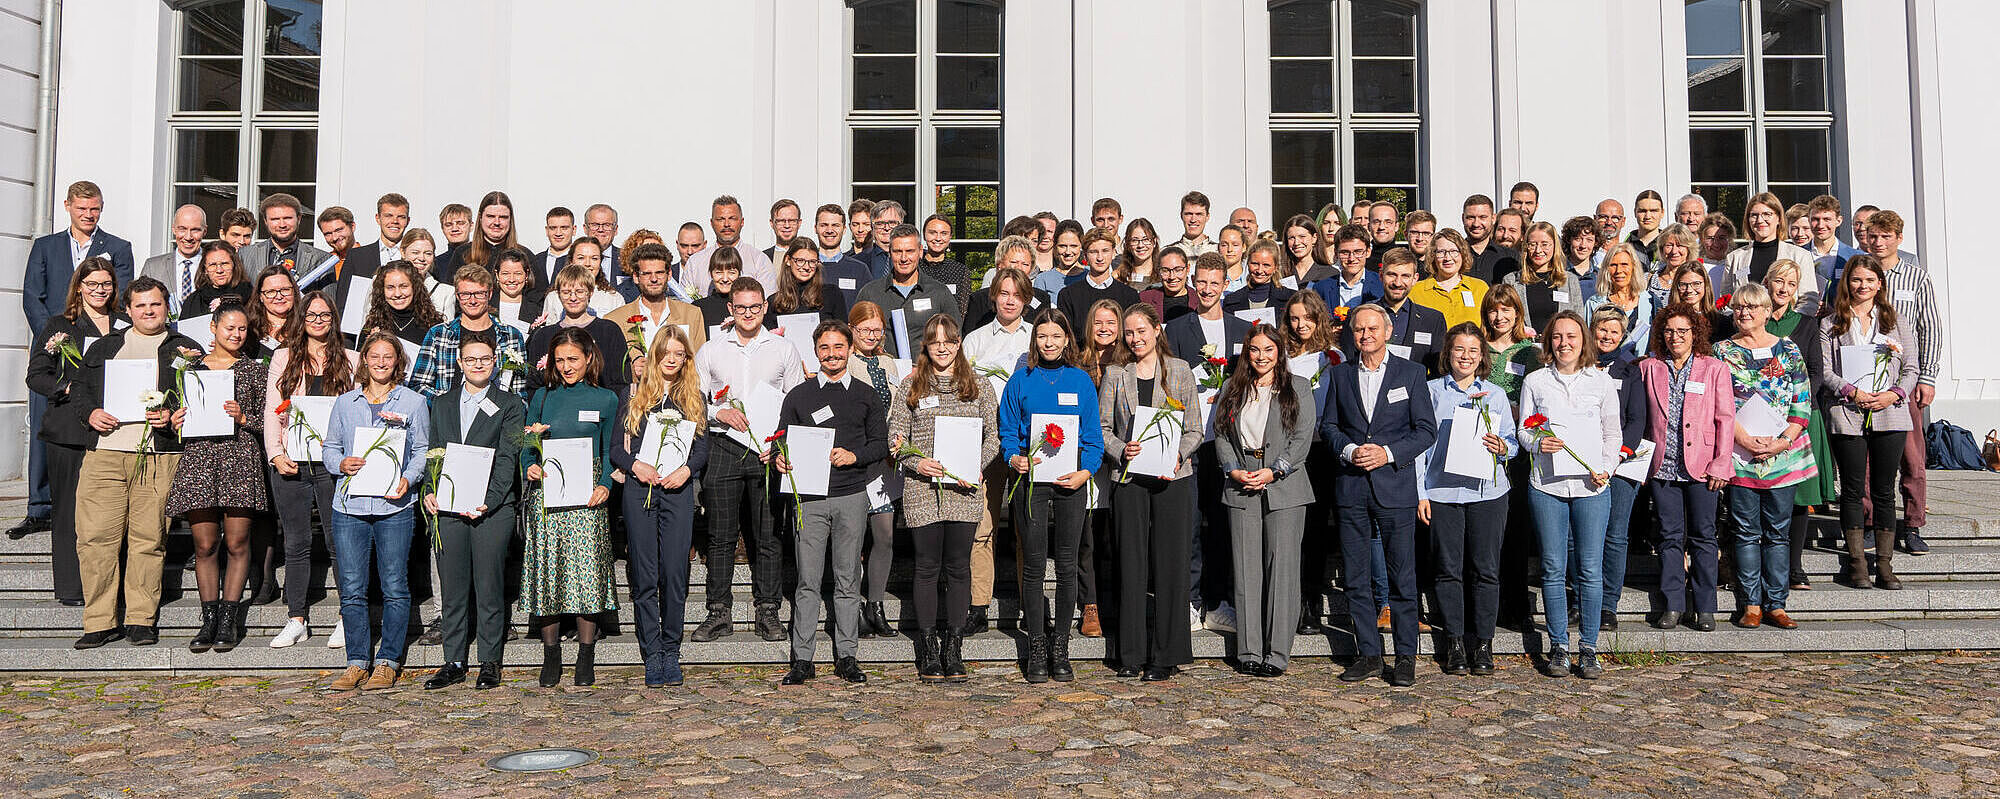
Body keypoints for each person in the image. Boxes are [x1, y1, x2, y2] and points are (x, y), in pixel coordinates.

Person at [70, 277, 199, 650]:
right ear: (127, 310)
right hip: (106, 454)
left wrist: (174, 416)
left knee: (149, 539)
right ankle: (99, 621)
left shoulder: (185, 348)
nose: (148, 311)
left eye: (155, 304)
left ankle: (141, 619)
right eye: (140, 306)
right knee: (95, 539)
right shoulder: (106, 347)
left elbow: (197, 398)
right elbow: (79, 389)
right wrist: (91, 413)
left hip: (158, 456)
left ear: (166, 307)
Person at [1321, 304, 1436, 687]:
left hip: (1395, 488)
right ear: (1351, 334)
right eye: (1358, 330)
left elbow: (1425, 431)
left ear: (1387, 331)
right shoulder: (1339, 376)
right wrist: (1350, 451)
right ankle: (1368, 653)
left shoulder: (1412, 373)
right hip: (1352, 488)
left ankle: (1405, 657)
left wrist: (1386, 453)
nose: (1365, 335)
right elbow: (1330, 426)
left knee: (1402, 578)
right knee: (1355, 578)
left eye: (1372, 328)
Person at [693, 277, 808, 642]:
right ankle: (718, 612)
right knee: (720, 536)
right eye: (740, 307)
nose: (747, 314)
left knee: (768, 535)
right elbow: (694, 400)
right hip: (724, 447)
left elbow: (795, 402)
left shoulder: (783, 348)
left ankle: (768, 611)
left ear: (764, 307)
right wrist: (718, 413)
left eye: (755, 307)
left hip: (767, 452)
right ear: (730, 308)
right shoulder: (711, 350)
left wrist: (780, 445)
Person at [773, 321, 888, 686]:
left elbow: (881, 444)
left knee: (847, 577)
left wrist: (854, 456)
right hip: (809, 498)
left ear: (850, 348)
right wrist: (780, 458)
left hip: (852, 494)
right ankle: (803, 659)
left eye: (839, 347)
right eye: (825, 348)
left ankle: (847, 655)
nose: (833, 354)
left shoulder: (867, 395)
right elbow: (781, 440)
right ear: (816, 351)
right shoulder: (799, 395)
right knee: (807, 580)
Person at [889, 315, 998, 682]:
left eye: (948, 341)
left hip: (964, 490)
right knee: (926, 567)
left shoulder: (979, 386)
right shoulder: (910, 387)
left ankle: (954, 646)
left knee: (958, 567)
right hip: (923, 492)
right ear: (926, 346)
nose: (942, 347)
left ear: (958, 343)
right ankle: (929, 646)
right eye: (934, 341)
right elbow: (896, 440)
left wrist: (978, 465)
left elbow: (993, 438)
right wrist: (918, 463)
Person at [998, 308, 1104, 683]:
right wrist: (1013, 457)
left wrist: (1086, 471)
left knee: (1066, 564)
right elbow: (1008, 429)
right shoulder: (1021, 379)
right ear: (1035, 339)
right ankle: (1037, 645)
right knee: (1032, 565)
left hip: (1070, 482)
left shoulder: (1080, 380)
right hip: (1031, 483)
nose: (1049, 343)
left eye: (1056, 337)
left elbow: (1094, 436)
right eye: (1043, 336)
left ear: (1066, 340)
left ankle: (1061, 644)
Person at [320, 331, 430, 690]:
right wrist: (341, 463)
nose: (381, 362)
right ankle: (356, 662)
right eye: (374, 356)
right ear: (363, 361)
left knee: (395, 585)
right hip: (350, 506)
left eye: (388, 356)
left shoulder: (413, 402)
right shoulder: (345, 403)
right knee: (351, 587)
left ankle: (388, 661)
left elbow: (422, 452)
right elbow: (330, 448)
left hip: (393, 505)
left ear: (398, 361)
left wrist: (409, 479)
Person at [1098, 303, 1203, 680]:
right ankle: (1130, 653)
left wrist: (1178, 453)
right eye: (1129, 332)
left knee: (1171, 565)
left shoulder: (1179, 371)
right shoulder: (1115, 375)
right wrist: (1119, 450)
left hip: (1172, 479)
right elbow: (1103, 428)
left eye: (1142, 330)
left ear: (1157, 330)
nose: (1135, 338)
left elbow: (1195, 429)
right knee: (1131, 564)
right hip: (1128, 479)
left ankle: (1166, 655)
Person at [1516, 311, 1620, 678]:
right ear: (1549, 342)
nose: (1564, 343)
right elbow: (1523, 433)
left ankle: (1588, 646)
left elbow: (1612, 433)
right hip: (1548, 485)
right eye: (1557, 336)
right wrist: (1539, 443)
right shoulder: (1535, 381)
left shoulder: (1601, 382)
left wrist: (1606, 467)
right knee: (1552, 567)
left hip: (1592, 486)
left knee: (1590, 570)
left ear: (1583, 340)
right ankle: (1559, 644)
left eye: (1571, 336)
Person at [415, 333, 523, 690]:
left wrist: (490, 500)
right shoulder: (442, 404)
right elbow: (433, 452)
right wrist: (429, 492)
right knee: (454, 587)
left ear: (495, 362)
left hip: (491, 508)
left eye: (485, 358)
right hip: (448, 507)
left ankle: (489, 660)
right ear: (459, 363)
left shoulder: (509, 404)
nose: (478, 364)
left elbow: (508, 458)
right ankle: (454, 660)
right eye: (471, 359)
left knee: (489, 585)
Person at [1211, 323, 1315, 679]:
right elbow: (1221, 435)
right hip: (1242, 482)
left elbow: (1302, 437)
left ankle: (1277, 652)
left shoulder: (1297, 387)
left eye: (1269, 350)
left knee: (1281, 570)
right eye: (1255, 350)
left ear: (1279, 353)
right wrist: (1233, 469)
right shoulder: (1232, 388)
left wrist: (1275, 471)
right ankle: (1249, 650)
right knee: (1246, 570)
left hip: (1284, 485)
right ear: (1246, 352)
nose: (1261, 356)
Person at [164, 303, 268, 652]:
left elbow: (269, 422)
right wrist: (177, 419)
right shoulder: (189, 369)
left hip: (239, 458)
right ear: (213, 328)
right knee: (205, 544)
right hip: (201, 460)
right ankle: (208, 619)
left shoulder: (254, 370)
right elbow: (180, 412)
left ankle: (229, 618)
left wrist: (244, 417)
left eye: (242, 329)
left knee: (237, 543)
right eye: (229, 328)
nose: (236, 335)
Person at [1415, 322, 1518, 675]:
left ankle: (1484, 643)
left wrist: (1503, 447)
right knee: (1447, 569)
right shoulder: (1430, 392)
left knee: (1486, 569)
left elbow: (1513, 443)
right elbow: (1419, 448)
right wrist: (1420, 493)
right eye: (1460, 349)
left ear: (1482, 357)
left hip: (1488, 492)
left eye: (1473, 351)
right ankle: (1455, 643)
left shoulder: (1495, 395)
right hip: (1442, 491)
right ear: (1448, 353)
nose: (1466, 356)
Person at [519, 328, 619, 687]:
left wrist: (605, 484)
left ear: (589, 358)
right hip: (549, 493)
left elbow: (611, 450)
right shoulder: (542, 398)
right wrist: (528, 463)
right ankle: (551, 656)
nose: (566, 366)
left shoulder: (607, 399)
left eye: (572, 359)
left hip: (588, 494)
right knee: (549, 568)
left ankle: (586, 654)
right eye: (559, 360)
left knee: (587, 569)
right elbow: (527, 445)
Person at [610, 325, 708, 688]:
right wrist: (636, 465)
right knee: (646, 573)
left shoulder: (694, 397)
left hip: (677, 491)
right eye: (665, 352)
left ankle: (672, 648)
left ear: (686, 359)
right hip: (640, 489)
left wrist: (686, 471)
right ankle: (652, 651)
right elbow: (616, 450)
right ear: (655, 355)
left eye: (678, 353)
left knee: (674, 573)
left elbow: (701, 449)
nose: (671, 359)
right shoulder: (633, 394)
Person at [1713, 284, 1815, 630]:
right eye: (1739, 307)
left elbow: (1802, 400)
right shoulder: (1721, 352)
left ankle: (1776, 602)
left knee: (1777, 532)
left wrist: (1782, 441)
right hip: (1741, 454)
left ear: (1768, 311)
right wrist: (1742, 438)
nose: (1744, 313)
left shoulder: (1788, 349)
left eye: (1752, 307)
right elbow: (1718, 403)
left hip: (1782, 455)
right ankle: (1751, 604)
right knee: (1744, 531)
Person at [25, 259, 125, 608]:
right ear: (79, 286)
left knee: (110, 511)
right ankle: (71, 586)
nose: (100, 290)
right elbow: (36, 374)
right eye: (93, 283)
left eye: (106, 284)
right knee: (68, 509)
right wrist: (69, 388)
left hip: (113, 429)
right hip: (68, 431)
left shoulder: (124, 324)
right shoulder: (60, 325)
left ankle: (112, 585)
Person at [1819, 255, 1918, 590]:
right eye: (1856, 280)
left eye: (1869, 280)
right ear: (1847, 283)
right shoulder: (1832, 322)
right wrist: (1851, 391)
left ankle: (1885, 564)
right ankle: (1858, 562)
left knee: (1884, 489)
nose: (1862, 286)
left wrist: (1894, 394)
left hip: (1889, 412)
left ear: (1880, 284)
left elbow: (1911, 368)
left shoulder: (1896, 320)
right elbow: (1826, 370)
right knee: (1850, 488)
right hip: (1848, 411)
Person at [262, 291, 354, 648]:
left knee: (337, 541)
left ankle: (348, 615)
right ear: (301, 319)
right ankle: (296, 617)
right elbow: (273, 410)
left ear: (333, 320)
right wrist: (275, 453)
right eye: (311, 315)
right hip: (292, 461)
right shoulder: (283, 357)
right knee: (297, 541)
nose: (317, 321)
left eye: (324, 315)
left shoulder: (349, 359)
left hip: (333, 465)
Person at [1639, 304, 1735, 632]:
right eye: (1669, 331)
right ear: (1660, 334)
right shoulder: (1650, 368)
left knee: (1704, 536)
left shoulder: (1714, 369)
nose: (1675, 336)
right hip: (1663, 467)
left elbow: (1725, 418)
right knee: (1668, 537)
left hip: (1704, 467)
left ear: (1695, 333)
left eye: (1683, 331)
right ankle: (1673, 603)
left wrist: (1722, 463)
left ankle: (1705, 605)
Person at [1855, 211, 1939, 556]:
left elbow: (1929, 327)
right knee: (1868, 460)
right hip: (1863, 379)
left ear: (1899, 239)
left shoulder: (1916, 277)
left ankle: (1914, 523)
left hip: (1904, 380)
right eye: (1873, 235)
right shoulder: (1858, 274)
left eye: (1885, 236)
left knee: (1911, 456)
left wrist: (1928, 377)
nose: (1878, 242)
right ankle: (1873, 522)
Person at [1763, 260, 1836, 591]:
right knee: (1761, 495)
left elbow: (1817, 371)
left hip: (1799, 418)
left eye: (1790, 284)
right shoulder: (1754, 319)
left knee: (1797, 496)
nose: (1783, 289)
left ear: (1797, 291)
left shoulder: (1806, 324)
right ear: (1767, 283)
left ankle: (1794, 567)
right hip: (1760, 418)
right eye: (1778, 281)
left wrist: (1795, 404)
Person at [844, 302, 905, 639]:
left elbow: (899, 404)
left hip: (886, 463)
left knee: (884, 535)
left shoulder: (889, 362)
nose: (871, 335)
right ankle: (851, 607)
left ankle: (876, 606)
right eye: (864, 329)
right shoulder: (845, 362)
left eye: (877, 329)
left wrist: (897, 437)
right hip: (856, 460)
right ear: (852, 329)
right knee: (853, 538)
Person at [1281, 290, 1341, 634]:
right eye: (1294, 318)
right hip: (1289, 447)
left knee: (1316, 529)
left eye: (1308, 318)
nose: (1301, 324)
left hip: (1322, 450)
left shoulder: (1332, 356)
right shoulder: (1282, 356)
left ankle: (1311, 602)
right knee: (1291, 529)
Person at [1589, 307, 1649, 632]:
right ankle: (1584, 599)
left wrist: (1617, 456)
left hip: (1620, 466)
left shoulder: (1629, 371)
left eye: (1614, 331)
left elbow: (1637, 418)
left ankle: (1609, 605)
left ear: (1622, 336)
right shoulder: (1579, 367)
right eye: (1602, 329)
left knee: (1614, 535)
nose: (1608, 336)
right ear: (1592, 330)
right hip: (1584, 463)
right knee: (1583, 537)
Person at [25, 182, 135, 337]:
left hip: (100, 339)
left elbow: (120, 297)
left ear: (102, 207)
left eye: (94, 209)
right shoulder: (45, 247)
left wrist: (108, 338)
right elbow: (32, 298)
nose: (88, 215)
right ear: (67, 205)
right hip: (53, 340)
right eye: (82, 209)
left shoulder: (119, 248)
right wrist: (51, 337)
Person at [408, 264, 532, 399]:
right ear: (457, 295)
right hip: (450, 416)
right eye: (465, 294)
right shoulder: (439, 334)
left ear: (489, 294)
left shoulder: (510, 336)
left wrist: (506, 410)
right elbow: (418, 386)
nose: (472, 301)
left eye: (479, 294)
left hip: (496, 417)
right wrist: (448, 404)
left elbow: (520, 392)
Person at [857, 224, 961, 357]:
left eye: (910, 251)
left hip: (926, 372)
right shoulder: (871, 293)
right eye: (898, 251)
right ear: (890, 253)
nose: (904, 258)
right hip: (883, 371)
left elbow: (955, 336)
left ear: (920, 252)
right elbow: (855, 336)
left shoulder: (939, 292)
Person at [1338, 249, 1446, 375]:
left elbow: (1438, 372)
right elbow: (1348, 365)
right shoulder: (1357, 315)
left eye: (1405, 276)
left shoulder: (1432, 320)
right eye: (1392, 275)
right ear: (1381, 275)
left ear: (1415, 278)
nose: (1398, 283)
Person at [525, 264, 629, 393]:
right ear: (558, 294)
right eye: (566, 292)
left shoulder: (609, 331)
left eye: (579, 292)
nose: (573, 298)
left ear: (590, 292)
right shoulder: (543, 335)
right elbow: (534, 384)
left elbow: (620, 380)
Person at [611, 242, 709, 370]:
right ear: (636, 277)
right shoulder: (616, 319)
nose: (654, 279)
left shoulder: (691, 314)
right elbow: (611, 371)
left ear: (669, 274)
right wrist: (633, 369)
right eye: (646, 273)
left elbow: (699, 364)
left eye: (659, 272)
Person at [1719, 192, 1820, 304]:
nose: (1760, 220)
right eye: (1754, 215)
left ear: (1779, 219)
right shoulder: (1734, 258)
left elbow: (1809, 300)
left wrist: (1791, 321)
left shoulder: (1800, 256)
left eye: (1767, 214)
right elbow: (1726, 299)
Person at [682, 196, 780, 291]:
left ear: (742, 222)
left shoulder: (759, 261)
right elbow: (684, 304)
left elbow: (768, 301)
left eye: (732, 218)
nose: (727, 224)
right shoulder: (695, 263)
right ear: (711, 223)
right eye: (720, 219)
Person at [1056, 228, 1142, 335]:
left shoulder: (1129, 295)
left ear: (1113, 253)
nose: (1100, 258)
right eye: (1093, 252)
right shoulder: (1068, 295)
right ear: (1085, 256)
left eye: (1105, 251)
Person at [1501, 220, 1584, 330]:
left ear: (1555, 246)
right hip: (1523, 345)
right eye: (1532, 244)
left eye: (1544, 244)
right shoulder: (1511, 281)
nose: (1538, 250)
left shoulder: (1570, 280)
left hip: (1560, 345)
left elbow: (1578, 321)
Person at [240, 193, 335, 289]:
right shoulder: (245, 254)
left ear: (299, 218)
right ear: (265, 221)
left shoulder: (322, 260)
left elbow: (328, 302)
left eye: (287, 218)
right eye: (275, 219)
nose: (282, 225)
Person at [1582, 244, 1657, 361]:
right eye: (1613, 265)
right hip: (1603, 372)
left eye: (1624, 265)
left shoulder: (1649, 301)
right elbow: (1586, 342)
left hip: (1639, 372)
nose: (1619, 271)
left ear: (1634, 267)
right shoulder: (1594, 303)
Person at [334, 194, 410, 305]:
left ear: (407, 221)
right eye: (388, 216)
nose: (395, 221)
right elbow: (342, 303)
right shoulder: (356, 257)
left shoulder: (415, 258)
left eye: (401, 217)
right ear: (378, 219)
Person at [1410, 229, 1489, 331]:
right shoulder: (1416, 291)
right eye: (1441, 252)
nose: (1447, 258)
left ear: (1463, 254)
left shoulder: (1479, 288)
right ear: (1433, 256)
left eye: (1454, 251)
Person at [139, 204, 207, 316]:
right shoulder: (153, 266)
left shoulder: (215, 265)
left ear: (204, 231)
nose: (188, 237)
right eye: (182, 229)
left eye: (195, 230)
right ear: (174, 230)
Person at [360, 261, 445, 349]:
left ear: (414, 287)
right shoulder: (372, 324)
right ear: (382, 291)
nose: (397, 294)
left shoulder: (433, 324)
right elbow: (360, 359)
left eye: (403, 286)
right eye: (390, 287)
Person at [1480, 285, 1540, 406]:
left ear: (1517, 312)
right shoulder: (1478, 349)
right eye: (1493, 311)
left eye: (1505, 310)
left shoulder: (1531, 351)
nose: (1499, 317)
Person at [1307, 224, 1382, 315]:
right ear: (1336, 253)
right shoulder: (1321, 288)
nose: (1351, 258)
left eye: (1358, 252)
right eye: (1345, 252)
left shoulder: (1381, 284)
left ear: (1368, 252)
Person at [770, 238, 852, 322]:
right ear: (788, 260)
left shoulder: (831, 294)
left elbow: (843, 331)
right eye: (800, 261)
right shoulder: (774, 302)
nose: (806, 267)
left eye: (812, 262)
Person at [395, 228, 458, 317]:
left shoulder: (446, 293)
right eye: (415, 252)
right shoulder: (382, 282)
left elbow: (447, 329)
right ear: (403, 252)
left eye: (428, 253)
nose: (422, 258)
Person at [1804, 195, 1862, 287]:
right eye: (1815, 219)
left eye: (1827, 219)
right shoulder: (1797, 254)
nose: (1820, 225)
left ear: (1838, 221)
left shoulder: (1856, 257)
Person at [919, 215, 973, 313]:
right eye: (932, 233)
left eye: (944, 233)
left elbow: (964, 310)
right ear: (924, 235)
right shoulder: (915, 269)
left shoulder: (960, 271)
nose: (938, 238)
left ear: (950, 237)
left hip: (951, 326)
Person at [1461, 195, 1517, 283]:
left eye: (1482, 217)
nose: (1476, 224)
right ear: (1463, 218)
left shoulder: (1510, 256)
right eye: (1471, 217)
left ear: (1493, 218)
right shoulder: (1453, 256)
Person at [1647, 224, 1701, 309]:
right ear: (1662, 249)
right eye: (1669, 245)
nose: (1674, 251)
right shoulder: (1649, 279)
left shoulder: (1698, 278)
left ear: (1689, 249)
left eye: (1680, 245)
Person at [492, 248, 545, 334]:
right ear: (497, 275)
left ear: (526, 275)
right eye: (505, 274)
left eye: (518, 273)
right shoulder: (485, 307)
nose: (512, 279)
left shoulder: (537, 311)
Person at [1138, 246, 1191, 322]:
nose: (1172, 277)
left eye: (1178, 270)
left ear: (1188, 268)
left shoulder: (1199, 300)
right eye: (1165, 270)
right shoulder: (1145, 299)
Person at [1283, 215, 1335, 286]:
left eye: (1302, 236)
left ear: (1314, 238)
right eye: (1291, 238)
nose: (1296, 243)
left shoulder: (1330, 275)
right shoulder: (1280, 274)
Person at [1557, 216, 1600, 299]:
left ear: (1596, 243)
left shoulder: (1601, 277)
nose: (1583, 245)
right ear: (1569, 240)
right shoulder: (1558, 274)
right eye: (1578, 239)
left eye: (1589, 240)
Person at [534, 207, 575, 288]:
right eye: (553, 228)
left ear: (573, 230)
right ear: (547, 230)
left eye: (564, 228)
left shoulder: (581, 260)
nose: (558, 233)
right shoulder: (535, 260)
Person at [1626, 190, 1667, 267]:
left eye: (1653, 211)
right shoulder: (1625, 246)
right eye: (1642, 211)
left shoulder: (1671, 246)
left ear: (1662, 213)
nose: (1647, 216)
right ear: (1635, 212)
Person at [1118, 218, 1161, 288]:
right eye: (1135, 240)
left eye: (1146, 239)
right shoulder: (1119, 277)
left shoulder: (1164, 274)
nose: (1140, 245)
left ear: (1154, 241)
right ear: (1128, 244)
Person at [1173, 191, 1217, 257]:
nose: (1193, 220)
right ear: (1181, 215)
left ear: (1207, 217)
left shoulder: (1219, 251)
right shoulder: (1169, 252)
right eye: (1188, 214)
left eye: (1199, 214)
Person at [1365, 202, 1402, 269]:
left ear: (1396, 226)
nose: (1381, 227)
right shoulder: (1360, 260)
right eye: (1376, 222)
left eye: (1388, 222)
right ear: (1368, 226)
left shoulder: (1407, 259)